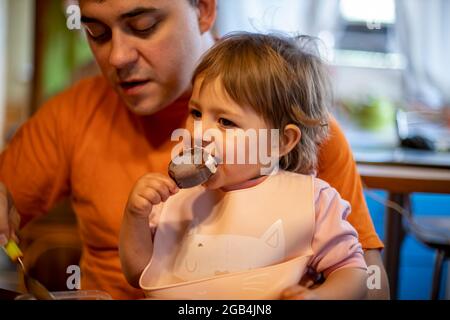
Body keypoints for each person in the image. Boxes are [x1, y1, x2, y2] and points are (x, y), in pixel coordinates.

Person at [0, 0, 388, 299]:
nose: (117, 57)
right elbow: (141, 267)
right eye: (97, 33)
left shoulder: (303, 127)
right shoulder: (75, 117)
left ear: (203, 9)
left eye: (143, 26)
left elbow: (365, 277)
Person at [120, 32, 368, 300]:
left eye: (226, 122)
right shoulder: (174, 200)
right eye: (196, 113)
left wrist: (319, 298)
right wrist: (135, 215)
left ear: (280, 142)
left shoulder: (313, 202)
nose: (201, 133)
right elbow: (140, 273)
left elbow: (353, 273)